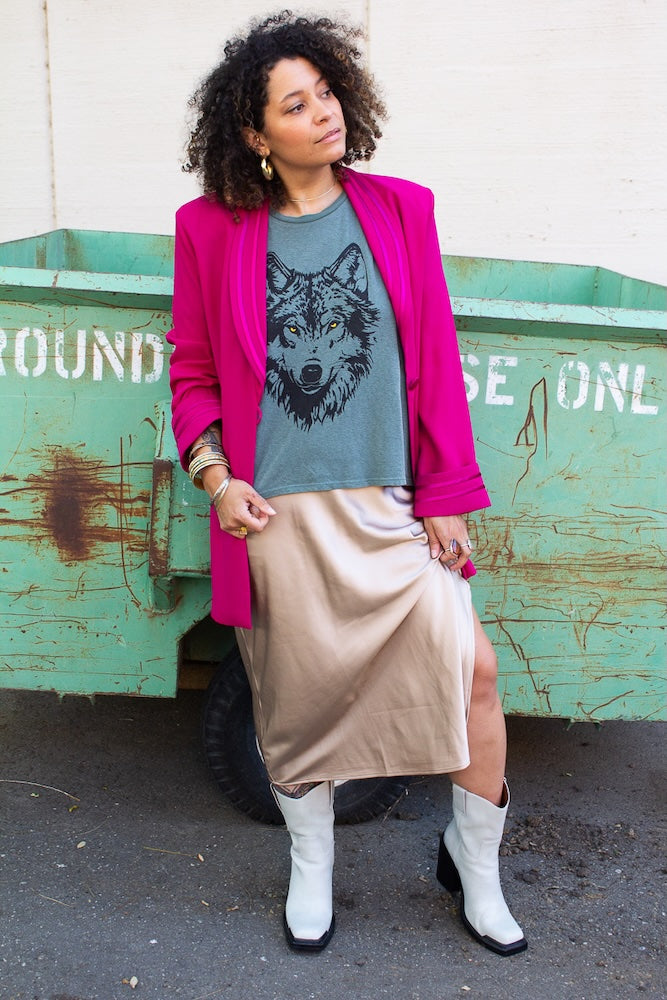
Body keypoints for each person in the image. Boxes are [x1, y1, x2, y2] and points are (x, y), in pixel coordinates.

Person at [168, 11, 526, 957]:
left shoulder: (400, 209)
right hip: (277, 516)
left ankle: (475, 867)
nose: (321, 112)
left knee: (475, 674)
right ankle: (312, 870)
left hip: (388, 507)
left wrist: (445, 494)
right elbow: (194, 369)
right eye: (295, 103)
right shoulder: (209, 230)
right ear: (255, 133)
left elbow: (436, 359)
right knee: (295, 709)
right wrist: (213, 478)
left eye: (326, 91)